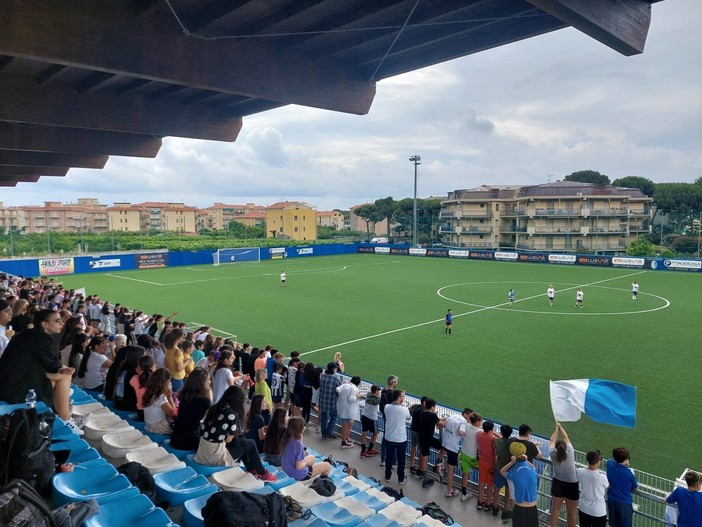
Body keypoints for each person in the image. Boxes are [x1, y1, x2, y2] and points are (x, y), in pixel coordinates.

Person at [0, 309, 80, 433]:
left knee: (58, 381)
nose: (61, 324)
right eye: (57, 321)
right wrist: (63, 368)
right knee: (65, 377)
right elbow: (51, 363)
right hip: (15, 386)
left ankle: (65, 417)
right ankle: (66, 420)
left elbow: (46, 362)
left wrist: (61, 367)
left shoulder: (29, 334)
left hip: (12, 380)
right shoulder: (40, 338)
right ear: (45, 324)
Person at [194, 385, 276, 482]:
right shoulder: (232, 414)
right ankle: (262, 473)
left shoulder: (215, 408)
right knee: (249, 443)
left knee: (245, 443)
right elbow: (229, 440)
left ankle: (252, 470)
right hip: (213, 455)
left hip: (202, 450)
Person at [170, 368, 212, 451]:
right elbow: (210, 417)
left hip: (176, 437)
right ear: (202, 382)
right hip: (189, 441)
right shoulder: (204, 401)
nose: (210, 382)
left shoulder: (184, 396)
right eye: (208, 379)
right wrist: (209, 391)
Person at [281, 416, 332, 481]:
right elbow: (298, 467)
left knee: (312, 457)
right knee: (327, 465)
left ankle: (312, 470)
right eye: (303, 426)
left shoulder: (286, 438)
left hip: (287, 470)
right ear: (299, 428)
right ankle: (322, 484)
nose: (304, 427)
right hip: (297, 474)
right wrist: (307, 463)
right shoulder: (297, 444)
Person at [501, 442, 539, 527]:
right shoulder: (532, 471)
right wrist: (526, 460)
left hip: (520, 509)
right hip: (533, 508)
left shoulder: (514, 473)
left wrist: (511, 462)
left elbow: (502, 471)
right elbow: (533, 467)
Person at [549, 422, 578, 527]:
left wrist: (556, 430)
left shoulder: (552, 453)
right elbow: (566, 437)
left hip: (558, 483)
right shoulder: (570, 451)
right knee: (571, 513)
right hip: (572, 484)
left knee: (555, 509)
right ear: (566, 447)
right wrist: (560, 427)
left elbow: (552, 440)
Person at [383, 389, 411, 485]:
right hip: (400, 439)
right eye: (402, 396)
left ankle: (387, 476)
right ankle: (400, 478)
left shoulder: (387, 407)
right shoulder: (404, 409)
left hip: (389, 437)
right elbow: (408, 417)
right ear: (399, 398)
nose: (403, 398)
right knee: (401, 459)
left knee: (389, 457)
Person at [606, 447, 638, 527]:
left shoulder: (609, 464)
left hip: (612, 500)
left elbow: (611, 461)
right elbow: (635, 488)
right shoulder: (628, 473)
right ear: (625, 460)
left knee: (613, 524)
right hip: (624, 503)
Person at [418, 398, 445, 490]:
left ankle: (425, 479)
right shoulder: (433, 416)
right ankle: (437, 464)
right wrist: (449, 421)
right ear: (432, 407)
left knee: (425, 458)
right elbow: (441, 424)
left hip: (422, 438)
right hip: (429, 438)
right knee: (444, 447)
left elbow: (437, 420)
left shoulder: (423, 413)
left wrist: (442, 420)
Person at [577, 450, 609, 527]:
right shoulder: (602, 477)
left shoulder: (579, 471)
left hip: (583, 508)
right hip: (598, 511)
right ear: (598, 462)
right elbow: (608, 486)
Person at [439, 409, 468, 494]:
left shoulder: (453, 416)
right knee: (451, 470)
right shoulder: (464, 422)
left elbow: (444, 424)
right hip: (452, 447)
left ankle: (442, 465)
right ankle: (449, 490)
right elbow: (461, 432)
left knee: (457, 458)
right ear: (466, 415)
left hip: (445, 443)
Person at [142, 368, 177, 435]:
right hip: (157, 427)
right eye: (169, 382)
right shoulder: (161, 397)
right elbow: (172, 413)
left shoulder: (150, 392)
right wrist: (169, 396)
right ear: (164, 384)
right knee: (179, 427)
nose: (170, 384)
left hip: (149, 424)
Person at [477, 420, 500, 513]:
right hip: (491, 463)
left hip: (481, 461)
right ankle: (488, 503)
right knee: (490, 484)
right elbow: (501, 438)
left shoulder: (479, 434)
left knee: (482, 481)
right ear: (491, 429)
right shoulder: (493, 438)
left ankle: (480, 501)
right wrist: (494, 433)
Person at [461, 411, 482, 503]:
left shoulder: (467, 425)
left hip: (463, 453)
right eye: (480, 421)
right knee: (484, 471)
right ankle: (482, 495)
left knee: (465, 474)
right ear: (477, 422)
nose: (481, 422)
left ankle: (464, 493)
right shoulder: (480, 431)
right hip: (473, 457)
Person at [336, 375, 362, 449]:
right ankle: (344, 442)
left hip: (342, 407)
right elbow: (351, 399)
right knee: (346, 425)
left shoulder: (346, 385)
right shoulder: (354, 388)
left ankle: (346, 438)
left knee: (348, 424)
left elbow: (337, 389)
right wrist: (357, 396)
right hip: (348, 410)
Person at [494, 424, 514, 520]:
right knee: (508, 491)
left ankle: (495, 507)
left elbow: (495, 453)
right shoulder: (512, 443)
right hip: (509, 470)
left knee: (497, 488)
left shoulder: (497, 441)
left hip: (498, 468)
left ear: (501, 432)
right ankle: (505, 510)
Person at [318, 362, 341, 439]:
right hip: (331, 401)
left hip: (322, 400)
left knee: (323, 416)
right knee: (333, 416)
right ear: (333, 369)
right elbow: (339, 389)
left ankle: (324, 433)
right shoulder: (335, 378)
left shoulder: (323, 376)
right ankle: (328, 433)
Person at [130, 354, 156, 421]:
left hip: (141, 413)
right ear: (153, 366)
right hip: (154, 414)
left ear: (139, 367)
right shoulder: (157, 380)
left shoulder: (134, 379)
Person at [359, 384, 381, 459]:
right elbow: (380, 401)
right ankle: (369, 450)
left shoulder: (368, 394)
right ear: (376, 391)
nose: (379, 393)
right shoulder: (377, 399)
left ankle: (363, 452)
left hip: (364, 416)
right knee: (375, 433)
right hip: (372, 418)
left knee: (364, 433)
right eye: (379, 391)